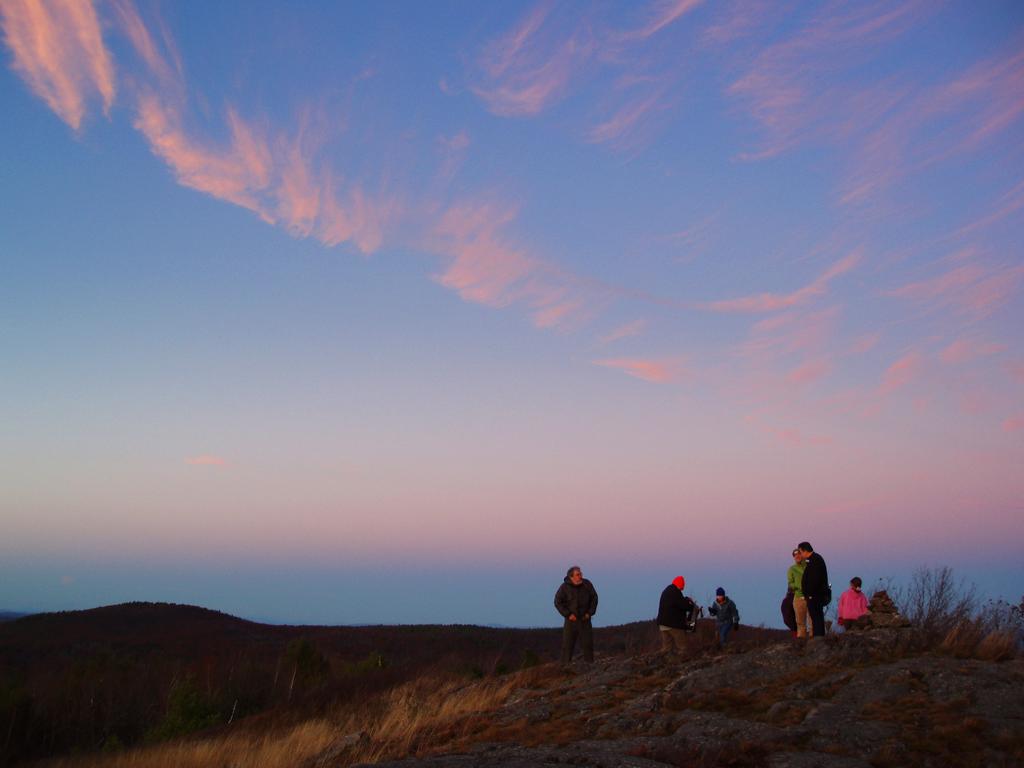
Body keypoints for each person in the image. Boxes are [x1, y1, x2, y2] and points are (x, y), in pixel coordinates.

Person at [554, 565, 598, 664]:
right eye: (578, 574)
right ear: (571, 577)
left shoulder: (587, 584)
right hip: (571, 621)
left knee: (587, 645)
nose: (580, 576)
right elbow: (557, 602)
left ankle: (589, 667)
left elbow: (594, 598)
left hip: (585, 620)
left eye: (580, 574)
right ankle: (565, 669)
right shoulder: (564, 587)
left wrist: (589, 613)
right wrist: (568, 614)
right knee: (567, 646)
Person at [656, 576, 695, 655]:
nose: (682, 589)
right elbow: (683, 605)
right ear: (680, 585)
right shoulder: (676, 592)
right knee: (683, 646)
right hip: (673, 624)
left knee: (667, 648)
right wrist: (691, 606)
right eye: (682, 586)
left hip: (663, 624)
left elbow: (676, 603)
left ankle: (662, 661)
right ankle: (681, 661)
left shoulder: (667, 591)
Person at [798, 542, 829, 639]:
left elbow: (814, 579)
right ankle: (818, 636)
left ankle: (819, 637)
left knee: (817, 617)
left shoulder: (815, 560)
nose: (800, 554)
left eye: (800, 551)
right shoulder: (813, 560)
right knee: (816, 617)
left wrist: (809, 593)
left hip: (815, 596)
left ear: (805, 550)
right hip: (814, 595)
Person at [788, 547, 811, 638]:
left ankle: (814, 641)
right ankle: (801, 642)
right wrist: (798, 586)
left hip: (810, 597)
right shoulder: (792, 569)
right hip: (798, 598)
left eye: (798, 554)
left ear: (802, 555)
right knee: (800, 622)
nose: (797, 556)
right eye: (795, 555)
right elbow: (790, 583)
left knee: (812, 620)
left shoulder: (809, 566)